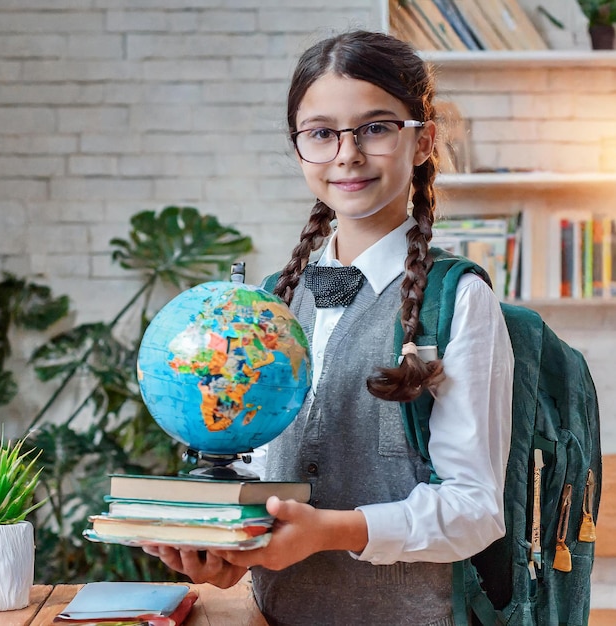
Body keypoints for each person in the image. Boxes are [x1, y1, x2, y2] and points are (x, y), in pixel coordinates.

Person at [143, 29, 514, 625]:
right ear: (300, 149)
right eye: (321, 133)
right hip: (271, 617)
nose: (347, 153)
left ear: (423, 142)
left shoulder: (459, 300)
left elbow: (474, 511)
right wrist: (230, 551)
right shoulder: (271, 306)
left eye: (375, 127)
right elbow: (265, 479)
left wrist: (328, 532)